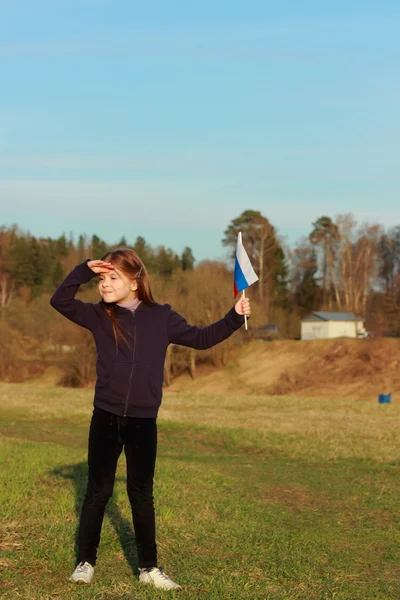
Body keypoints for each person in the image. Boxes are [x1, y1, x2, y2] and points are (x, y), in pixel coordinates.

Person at [50, 248, 251, 591]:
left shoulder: (162, 317)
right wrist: (84, 270)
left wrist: (233, 317)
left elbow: (201, 339)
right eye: (102, 279)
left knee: (141, 494)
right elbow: (60, 300)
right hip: (106, 416)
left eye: (113, 278)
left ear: (136, 280)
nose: (105, 284)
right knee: (97, 491)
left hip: (144, 421)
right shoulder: (99, 316)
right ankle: (85, 562)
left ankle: (148, 568)